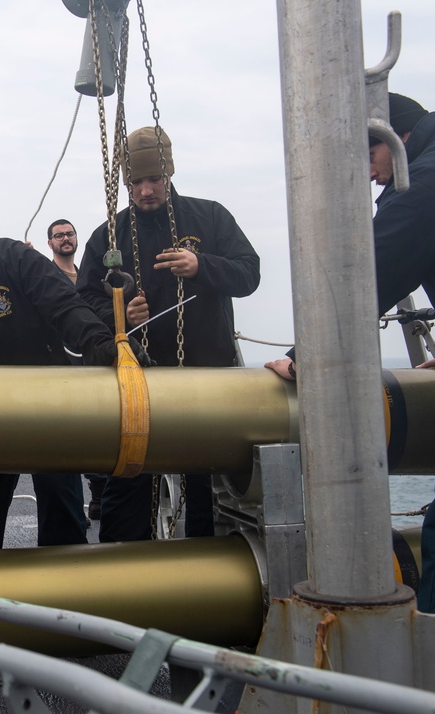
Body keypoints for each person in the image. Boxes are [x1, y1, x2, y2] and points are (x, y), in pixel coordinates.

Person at [266, 93, 435, 614]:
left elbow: (370, 269)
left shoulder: (424, 181)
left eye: (368, 159)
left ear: (394, 138)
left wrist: (306, 355)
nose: (370, 176)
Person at [0, 190, 129, 551]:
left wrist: (102, 343)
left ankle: (68, 578)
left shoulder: (17, 259)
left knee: (58, 489)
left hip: (46, 396)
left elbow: (65, 306)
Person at [77, 126, 260, 543]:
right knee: (128, 483)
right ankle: (125, 578)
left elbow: (250, 272)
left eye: (153, 179)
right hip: (135, 383)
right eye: (136, 182)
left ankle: (207, 579)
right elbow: (82, 300)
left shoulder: (209, 216)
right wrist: (116, 312)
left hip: (206, 379)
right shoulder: (109, 233)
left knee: (205, 492)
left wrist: (202, 266)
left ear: (169, 174)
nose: (145, 190)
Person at [47, 217, 107, 520]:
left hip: (90, 357)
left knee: (96, 424)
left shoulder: (87, 277)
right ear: (50, 244)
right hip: (62, 362)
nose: (65, 239)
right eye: (59, 235)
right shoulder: (46, 276)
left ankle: (97, 495)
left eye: (69, 234)